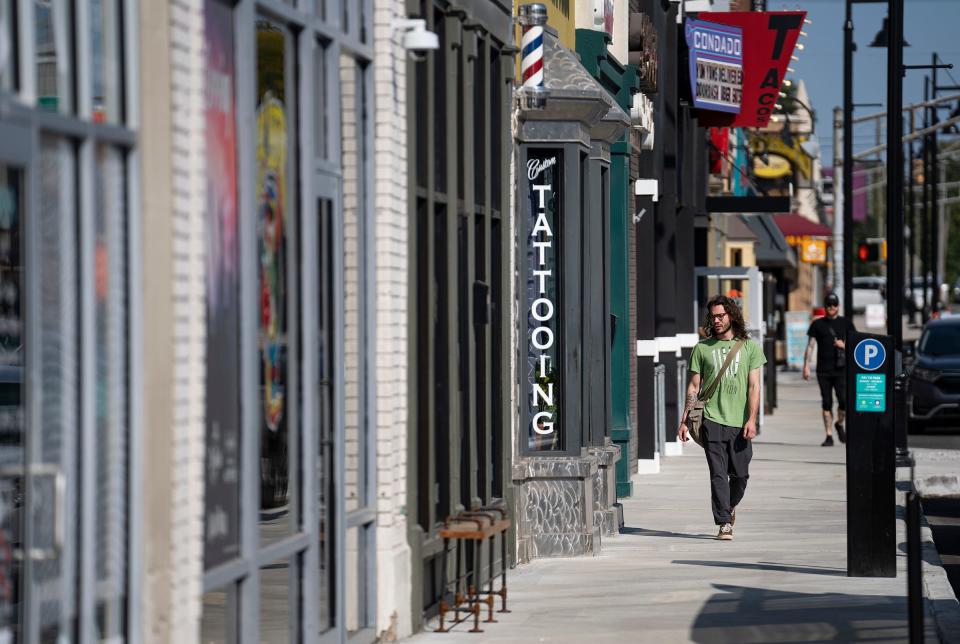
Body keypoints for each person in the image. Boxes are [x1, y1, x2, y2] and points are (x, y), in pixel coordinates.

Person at [678, 295, 767, 541]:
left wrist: (752, 419)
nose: (716, 321)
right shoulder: (702, 348)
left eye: (721, 316)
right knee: (718, 474)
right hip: (711, 420)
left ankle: (728, 506)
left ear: (731, 316)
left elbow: (754, 387)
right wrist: (685, 420)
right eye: (713, 317)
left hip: (739, 423)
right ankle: (724, 523)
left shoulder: (750, 347)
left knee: (740, 475)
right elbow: (694, 387)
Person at [803, 292, 856, 446]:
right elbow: (810, 346)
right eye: (828, 305)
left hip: (841, 369)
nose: (831, 307)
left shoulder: (846, 323)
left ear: (838, 306)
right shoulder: (817, 324)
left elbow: (856, 345)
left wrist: (843, 345)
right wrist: (806, 366)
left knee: (844, 401)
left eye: (834, 305)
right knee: (826, 402)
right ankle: (829, 435)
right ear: (825, 307)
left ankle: (839, 424)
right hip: (823, 370)